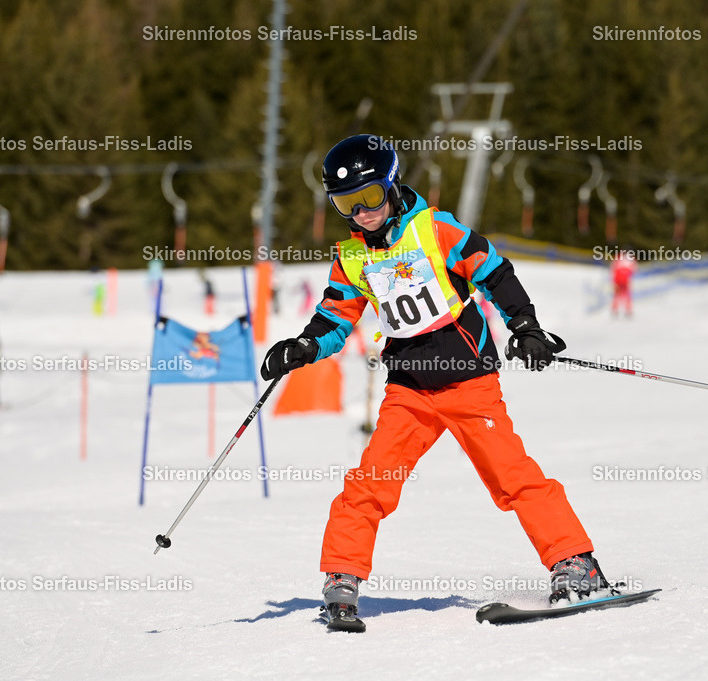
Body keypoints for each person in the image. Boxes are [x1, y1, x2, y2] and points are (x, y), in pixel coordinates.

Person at [260, 134, 606, 628]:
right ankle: (342, 577)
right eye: (345, 203)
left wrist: (525, 326)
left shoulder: (436, 229)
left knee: (513, 476)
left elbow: (495, 273)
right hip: (409, 391)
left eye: (369, 197)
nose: (361, 213)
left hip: (468, 382)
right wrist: (303, 347)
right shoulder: (352, 257)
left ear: (391, 184)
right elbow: (335, 317)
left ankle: (575, 562)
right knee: (370, 483)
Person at [611, 247, 636, 317]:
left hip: (618, 278)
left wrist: (613, 280)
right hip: (625, 278)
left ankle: (615, 309)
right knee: (627, 295)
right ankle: (628, 310)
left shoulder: (618, 257)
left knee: (617, 295)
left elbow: (613, 267)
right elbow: (634, 269)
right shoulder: (631, 258)